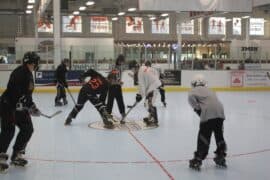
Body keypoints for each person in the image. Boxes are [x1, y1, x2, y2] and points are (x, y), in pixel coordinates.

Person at [0, 52, 41, 171]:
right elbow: (14, 90)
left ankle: (16, 154)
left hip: (19, 108)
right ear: (32, 62)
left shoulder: (29, 74)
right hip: (8, 106)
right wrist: (24, 102)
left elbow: (27, 95)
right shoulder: (19, 72)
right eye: (37, 62)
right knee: (9, 130)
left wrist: (32, 106)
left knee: (28, 128)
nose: (38, 64)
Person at [188, 74, 227, 171]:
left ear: (194, 83)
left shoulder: (192, 91)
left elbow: (193, 103)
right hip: (220, 113)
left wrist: (198, 110)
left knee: (204, 136)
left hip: (208, 114)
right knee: (219, 135)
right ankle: (221, 155)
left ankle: (198, 159)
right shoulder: (211, 90)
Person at [135, 60, 162, 126]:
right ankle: (150, 117)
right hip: (153, 86)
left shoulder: (141, 72)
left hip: (153, 87)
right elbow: (155, 74)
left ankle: (154, 119)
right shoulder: (147, 69)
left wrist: (140, 95)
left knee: (148, 104)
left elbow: (142, 86)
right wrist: (140, 94)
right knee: (148, 103)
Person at [106, 54, 126, 124]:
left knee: (120, 100)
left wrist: (119, 82)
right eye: (122, 61)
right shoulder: (114, 67)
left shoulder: (120, 67)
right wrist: (116, 82)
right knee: (110, 101)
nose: (123, 63)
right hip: (112, 87)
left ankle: (123, 113)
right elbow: (110, 78)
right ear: (119, 60)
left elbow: (117, 77)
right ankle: (108, 115)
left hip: (117, 87)